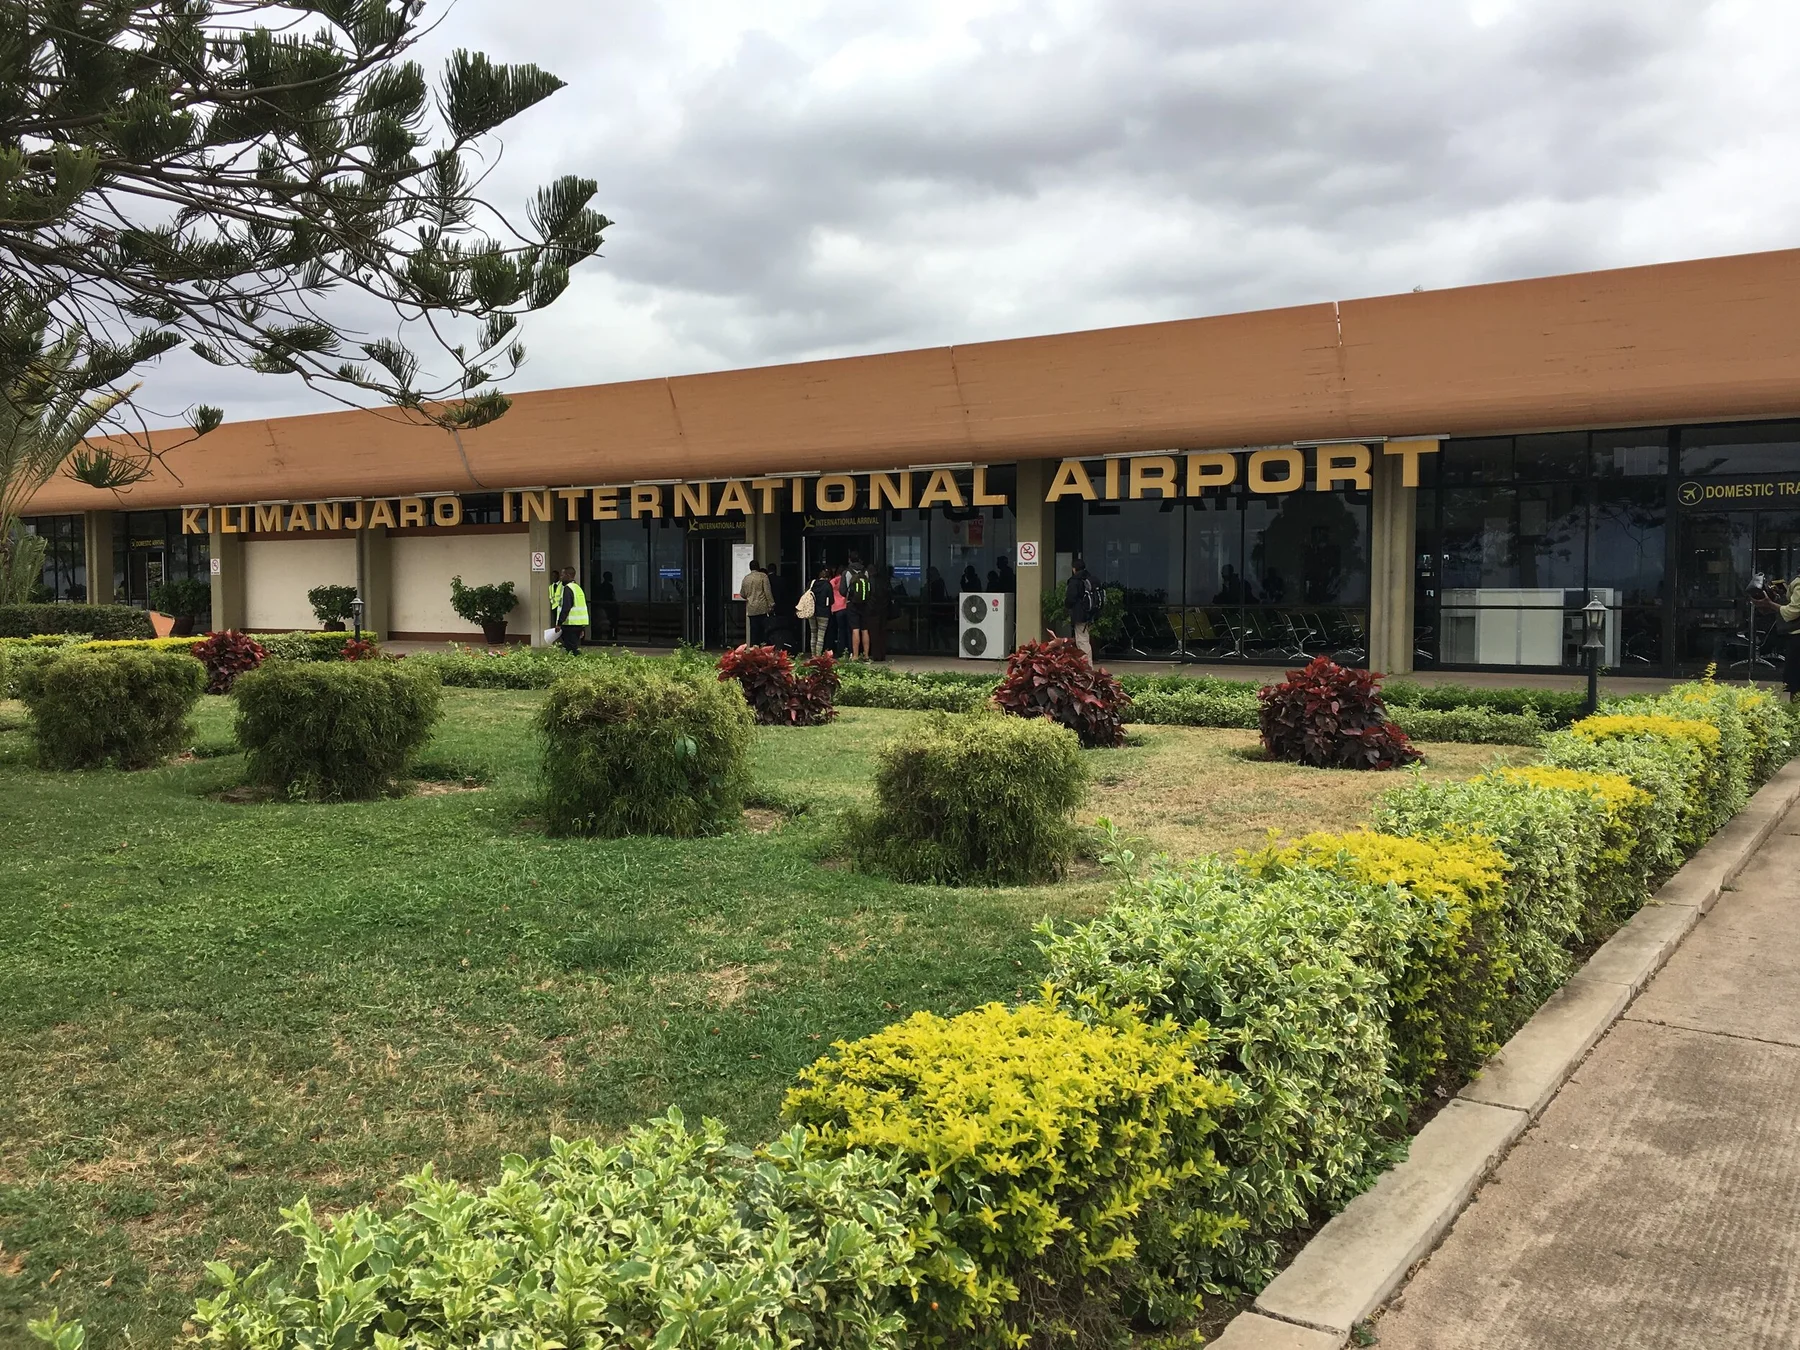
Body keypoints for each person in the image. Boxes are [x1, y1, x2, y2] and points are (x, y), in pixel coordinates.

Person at [1065, 554, 1102, 661]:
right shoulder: (1091, 579)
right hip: (1091, 613)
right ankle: (1086, 665)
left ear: (1074, 568)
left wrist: (1067, 607)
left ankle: (1087, 667)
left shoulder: (1075, 580)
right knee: (1085, 638)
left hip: (1080, 615)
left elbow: (1070, 598)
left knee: (1082, 641)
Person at [552, 566, 587, 654]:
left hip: (570, 625)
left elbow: (566, 608)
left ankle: (577, 663)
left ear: (568, 575)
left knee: (571, 649)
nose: (560, 577)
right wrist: (582, 628)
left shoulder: (568, 589)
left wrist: (559, 623)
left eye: (562, 575)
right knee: (573, 647)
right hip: (578, 624)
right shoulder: (578, 588)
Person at [740, 560, 773, 645]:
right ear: (758, 567)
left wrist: (749, 597)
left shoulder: (746, 578)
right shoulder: (763, 576)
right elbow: (767, 592)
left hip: (751, 608)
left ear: (750, 568)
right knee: (763, 630)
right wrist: (771, 603)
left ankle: (754, 649)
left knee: (754, 631)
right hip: (762, 607)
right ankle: (763, 648)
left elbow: (742, 594)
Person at [846, 559, 873, 660]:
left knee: (855, 630)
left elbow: (843, 590)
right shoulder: (865, 572)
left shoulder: (848, 572)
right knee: (865, 630)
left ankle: (855, 655)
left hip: (853, 605)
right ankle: (866, 655)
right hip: (865, 604)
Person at [806, 565, 835, 656]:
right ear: (827, 577)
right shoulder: (827, 585)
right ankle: (818, 656)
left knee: (813, 633)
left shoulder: (812, 583)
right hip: (823, 613)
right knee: (821, 636)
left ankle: (813, 655)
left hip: (812, 611)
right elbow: (831, 600)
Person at [593, 570, 620, 642]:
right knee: (611, 622)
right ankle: (611, 637)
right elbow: (611, 596)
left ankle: (610, 636)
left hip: (607, 606)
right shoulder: (608, 586)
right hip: (608, 606)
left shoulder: (603, 586)